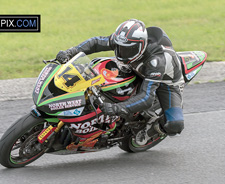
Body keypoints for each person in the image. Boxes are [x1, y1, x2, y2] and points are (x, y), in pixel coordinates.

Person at [56, 19, 184, 136]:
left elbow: (147, 97)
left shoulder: (156, 61)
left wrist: (117, 108)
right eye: (119, 48)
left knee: (175, 125)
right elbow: (95, 43)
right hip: (135, 68)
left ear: (140, 47)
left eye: (128, 50)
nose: (122, 52)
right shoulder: (124, 40)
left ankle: (151, 130)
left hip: (165, 83)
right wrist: (70, 52)